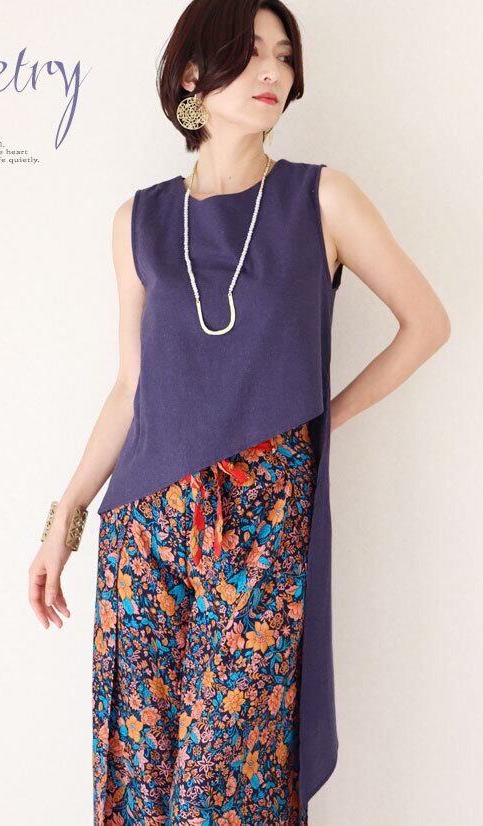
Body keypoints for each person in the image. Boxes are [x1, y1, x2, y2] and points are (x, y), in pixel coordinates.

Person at [28, 1, 451, 823]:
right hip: (144, 535)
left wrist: (321, 423)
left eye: (283, 56)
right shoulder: (140, 221)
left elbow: (426, 324)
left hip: (262, 535)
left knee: (227, 792)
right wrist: (64, 520)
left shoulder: (320, 199)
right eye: (250, 52)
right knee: (143, 787)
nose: (272, 72)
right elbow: (131, 387)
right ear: (193, 74)